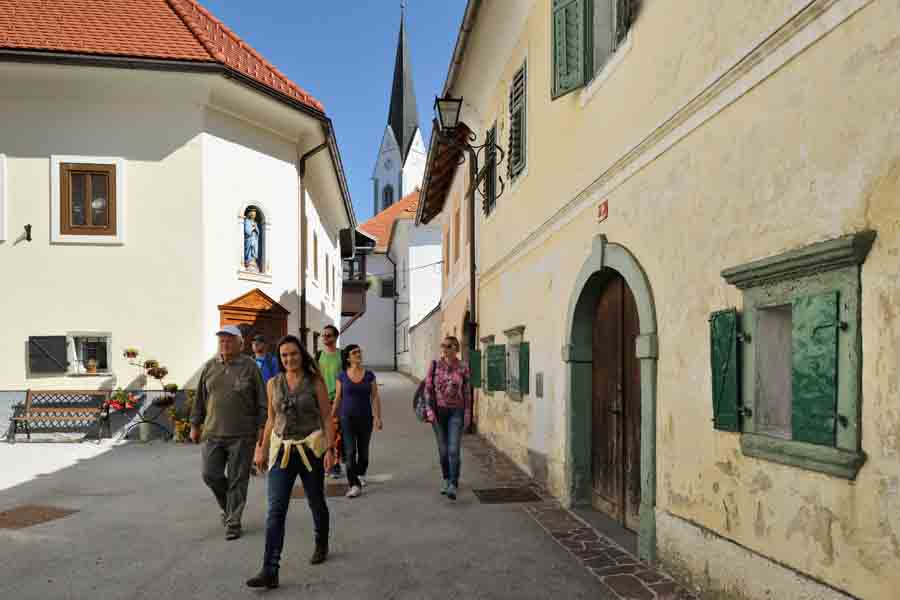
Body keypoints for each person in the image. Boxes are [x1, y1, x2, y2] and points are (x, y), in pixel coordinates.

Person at [247, 335, 336, 589]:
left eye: (293, 354)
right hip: (282, 452)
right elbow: (270, 419)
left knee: (316, 502)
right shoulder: (273, 384)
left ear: (302, 354)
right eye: (284, 355)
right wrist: (261, 448)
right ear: (280, 358)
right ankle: (270, 570)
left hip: (310, 450)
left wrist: (330, 449)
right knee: (275, 510)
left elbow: (327, 417)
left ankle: (321, 541)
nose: (289, 359)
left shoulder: (315, 382)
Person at [190, 324, 267, 540]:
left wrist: (261, 428)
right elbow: (200, 400)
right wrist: (195, 425)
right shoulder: (209, 367)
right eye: (221, 340)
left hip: (242, 434)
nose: (224, 343)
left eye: (229, 340)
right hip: (213, 432)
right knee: (210, 474)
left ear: (240, 343)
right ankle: (229, 507)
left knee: (237, 479)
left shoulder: (250, 366)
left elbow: (262, 400)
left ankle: (233, 521)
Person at [331, 344, 382, 499]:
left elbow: (374, 396)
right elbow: (338, 398)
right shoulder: (342, 376)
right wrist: (331, 417)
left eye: (359, 351)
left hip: (365, 419)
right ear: (348, 357)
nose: (358, 354)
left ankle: (360, 473)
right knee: (350, 452)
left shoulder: (369, 376)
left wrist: (378, 417)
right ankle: (354, 484)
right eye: (354, 352)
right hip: (347, 419)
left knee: (364, 454)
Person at [424, 335, 471, 501]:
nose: (445, 348)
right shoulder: (435, 365)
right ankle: (445, 478)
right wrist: (429, 410)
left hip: (456, 412)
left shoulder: (463, 367)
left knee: (453, 449)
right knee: (443, 450)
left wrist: (467, 413)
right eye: (443, 345)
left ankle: (453, 483)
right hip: (438, 412)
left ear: (456, 348)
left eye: (449, 346)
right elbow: (428, 390)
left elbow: (466, 392)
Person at [316, 324, 344, 479]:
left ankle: (336, 464)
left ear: (335, 337)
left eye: (328, 335)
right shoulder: (318, 355)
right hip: (321, 398)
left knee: (336, 433)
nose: (325, 338)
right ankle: (325, 462)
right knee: (322, 432)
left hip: (338, 399)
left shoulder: (342, 355)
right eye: (323, 335)